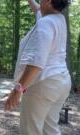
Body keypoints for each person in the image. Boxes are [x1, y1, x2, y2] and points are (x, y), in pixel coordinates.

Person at [5, 0, 71, 135]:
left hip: (43, 84)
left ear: (48, 1)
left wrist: (18, 89)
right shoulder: (58, 19)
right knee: (50, 129)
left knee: (31, 130)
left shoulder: (46, 23)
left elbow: (36, 63)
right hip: (61, 82)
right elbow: (38, 10)